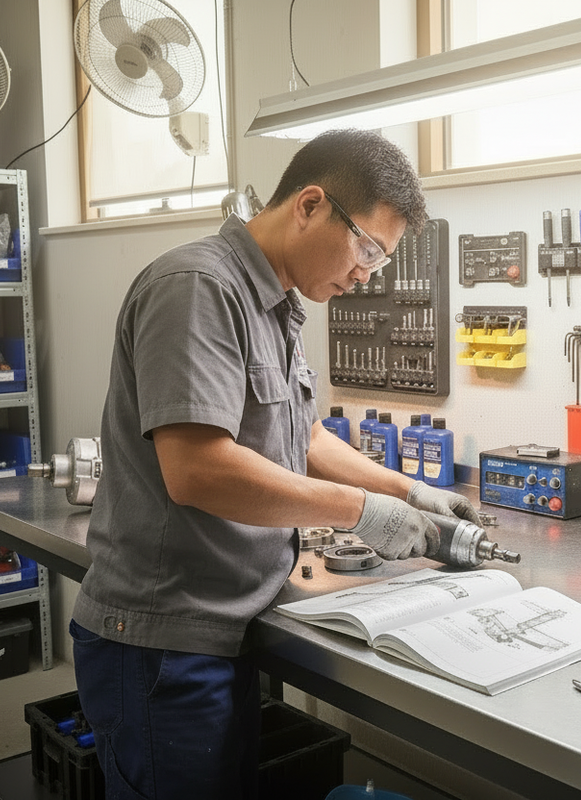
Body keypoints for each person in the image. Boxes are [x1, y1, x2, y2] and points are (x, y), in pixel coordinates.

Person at [69, 128, 478, 800]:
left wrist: (410, 489)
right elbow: (197, 470)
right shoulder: (197, 286)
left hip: (225, 625)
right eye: (369, 249)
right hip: (163, 638)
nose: (367, 274)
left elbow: (303, 433)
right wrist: (362, 513)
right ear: (310, 205)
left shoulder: (279, 304)